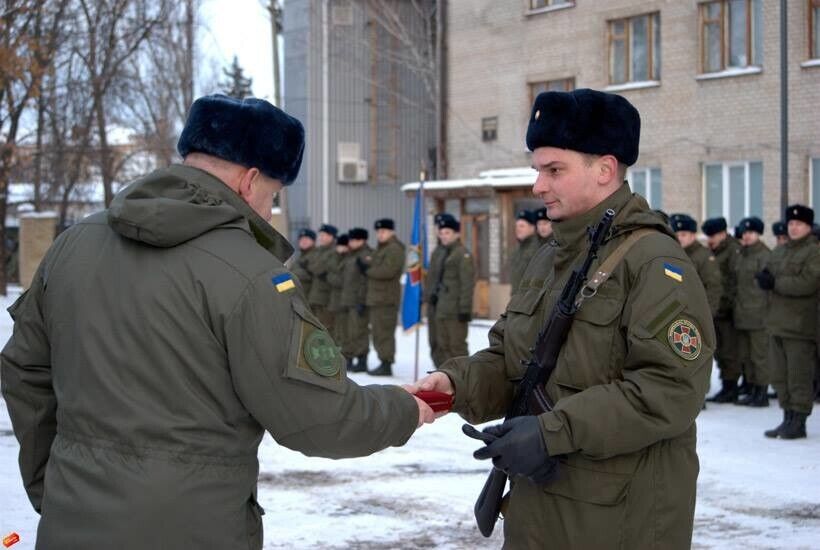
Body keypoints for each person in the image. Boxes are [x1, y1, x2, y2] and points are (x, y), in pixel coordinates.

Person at [0, 94, 434, 549]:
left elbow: (25, 370)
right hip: (193, 528)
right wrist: (403, 409)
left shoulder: (73, 246)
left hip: (73, 523)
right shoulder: (249, 273)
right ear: (249, 182)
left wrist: (54, 486)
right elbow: (317, 418)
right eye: (273, 194)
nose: (269, 211)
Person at [412, 89, 715, 548]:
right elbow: (514, 360)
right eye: (538, 170)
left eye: (554, 170)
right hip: (542, 506)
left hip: (615, 521)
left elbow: (670, 389)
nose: (538, 186)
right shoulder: (551, 257)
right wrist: (455, 384)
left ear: (605, 169)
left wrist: (553, 432)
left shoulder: (653, 262)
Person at [758, 205, 820, 439]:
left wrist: (775, 283)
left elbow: (808, 283)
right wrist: (763, 278)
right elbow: (768, 271)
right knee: (779, 376)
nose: (793, 228)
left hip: (800, 326)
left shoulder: (814, 252)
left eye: (799, 224)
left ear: (808, 227)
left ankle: (799, 421)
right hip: (776, 323)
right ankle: (787, 417)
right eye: (791, 224)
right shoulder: (781, 250)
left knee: (798, 377)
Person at [424, 214, 475, 367]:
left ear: (456, 234)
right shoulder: (439, 252)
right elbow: (432, 277)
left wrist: (465, 309)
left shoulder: (462, 254)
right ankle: (444, 375)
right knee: (441, 344)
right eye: (441, 233)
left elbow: (467, 284)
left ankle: (463, 379)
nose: (444, 236)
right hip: (439, 307)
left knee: (456, 346)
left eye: (448, 233)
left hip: (454, 309)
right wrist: (429, 296)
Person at [702, 217, 742, 403]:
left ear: (723, 233)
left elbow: (735, 281)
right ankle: (727, 385)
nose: (710, 239)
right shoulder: (714, 251)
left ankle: (731, 387)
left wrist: (729, 303)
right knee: (720, 351)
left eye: (713, 235)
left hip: (728, 308)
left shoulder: (732, 250)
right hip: (718, 308)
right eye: (708, 235)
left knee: (729, 350)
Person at [359, 218, 405, 376]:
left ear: (391, 232)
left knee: (384, 332)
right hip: (377, 298)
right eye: (378, 232)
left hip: (386, 298)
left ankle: (386, 363)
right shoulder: (382, 248)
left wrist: (367, 270)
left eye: (383, 231)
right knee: (378, 332)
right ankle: (383, 361)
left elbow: (387, 271)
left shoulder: (394, 249)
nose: (380, 234)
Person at [733, 217, 771, 407]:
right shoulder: (741, 254)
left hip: (759, 316)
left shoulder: (765, 256)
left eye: (751, 233)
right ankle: (752, 389)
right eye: (745, 232)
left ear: (758, 234)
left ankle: (762, 392)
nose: (747, 236)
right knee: (746, 356)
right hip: (742, 314)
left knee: (760, 357)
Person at [670, 213, 722, 317]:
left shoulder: (704, 256)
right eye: (677, 235)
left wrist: (707, 315)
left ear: (693, 235)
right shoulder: (675, 253)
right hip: (680, 312)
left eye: (684, 234)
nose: (680, 238)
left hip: (698, 314)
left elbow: (713, 287)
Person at [341, 227, 373, 372]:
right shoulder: (350, 255)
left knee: (359, 331)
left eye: (355, 240)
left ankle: (362, 359)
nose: (352, 242)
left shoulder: (365, 255)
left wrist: (362, 300)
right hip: (348, 299)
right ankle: (349, 358)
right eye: (351, 240)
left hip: (358, 299)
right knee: (348, 331)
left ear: (362, 240)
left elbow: (366, 280)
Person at [304, 223, 338, 332]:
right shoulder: (319, 251)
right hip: (315, 296)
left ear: (331, 236)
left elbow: (318, 268)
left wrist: (313, 267)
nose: (321, 237)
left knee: (327, 329)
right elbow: (311, 265)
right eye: (320, 235)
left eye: (324, 235)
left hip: (326, 298)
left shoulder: (334, 251)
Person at [327, 233, 350, 358]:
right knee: (335, 328)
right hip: (335, 299)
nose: (340, 249)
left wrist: (334, 277)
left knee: (345, 328)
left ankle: (345, 353)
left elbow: (345, 278)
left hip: (346, 299)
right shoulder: (335, 257)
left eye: (343, 246)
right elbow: (330, 272)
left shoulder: (349, 258)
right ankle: (336, 352)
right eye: (339, 246)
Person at [508, 209, 540, 291]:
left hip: (529, 298)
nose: (518, 229)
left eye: (522, 226)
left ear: (532, 228)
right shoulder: (517, 249)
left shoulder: (538, 248)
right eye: (517, 226)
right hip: (517, 297)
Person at [291, 228, 317, 297]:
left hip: (310, 299)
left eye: (307, 239)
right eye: (301, 239)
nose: (303, 241)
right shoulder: (299, 258)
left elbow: (310, 275)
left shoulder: (316, 256)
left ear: (313, 241)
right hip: (298, 296)